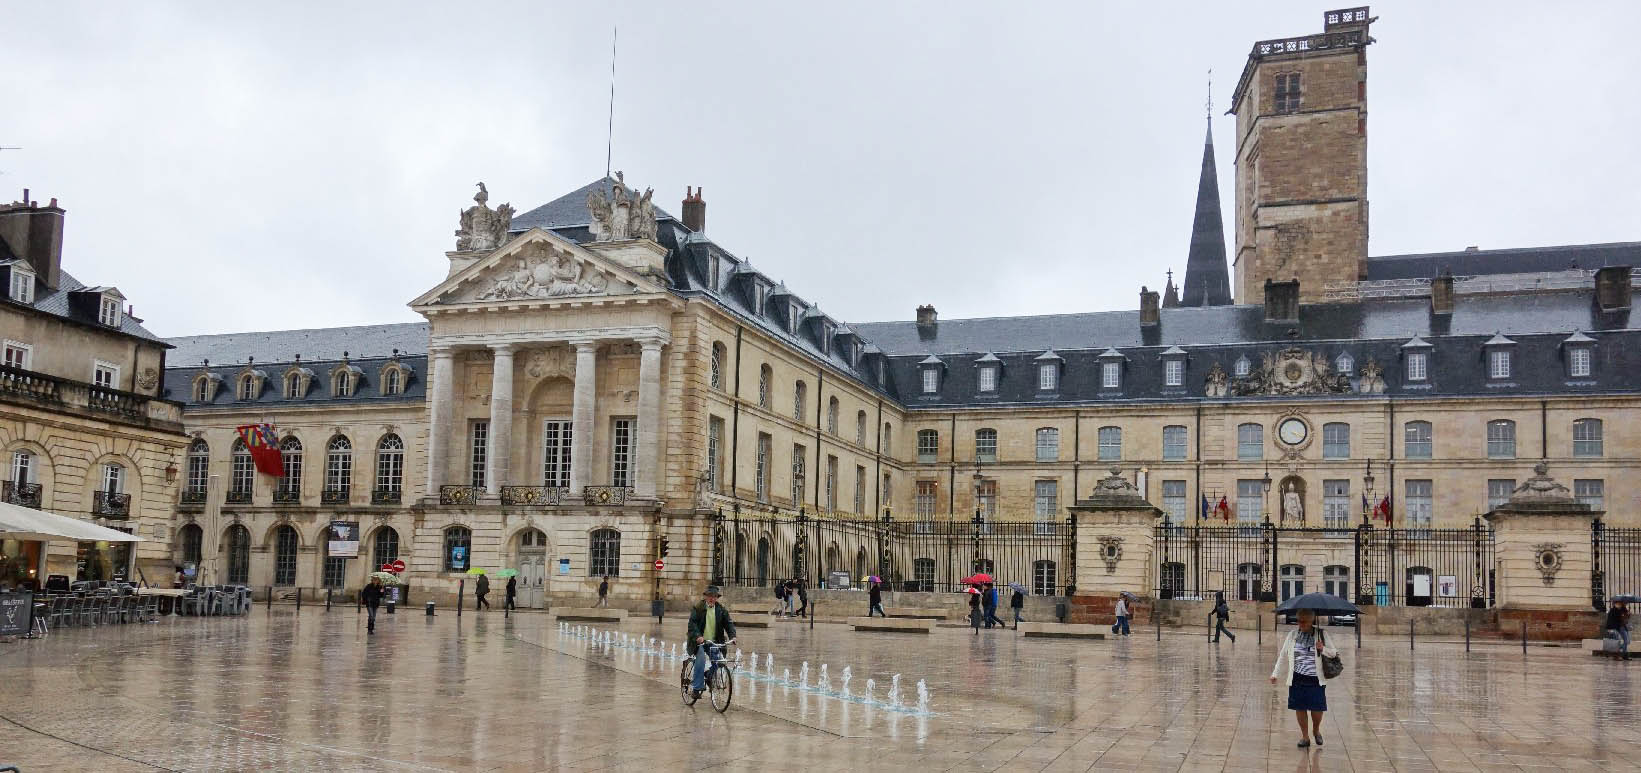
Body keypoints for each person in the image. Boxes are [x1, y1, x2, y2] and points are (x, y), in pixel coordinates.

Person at [1270, 609, 1335, 748]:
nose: (1301, 624)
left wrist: (1322, 648)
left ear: (1311, 621)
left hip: (1315, 679)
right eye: (1299, 621)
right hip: (1297, 678)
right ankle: (1305, 737)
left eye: (1304, 621)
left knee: (1317, 708)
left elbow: (1333, 653)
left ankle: (1316, 730)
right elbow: (1283, 654)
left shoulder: (1321, 634)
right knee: (1300, 708)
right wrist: (1275, 673)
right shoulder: (1292, 635)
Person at [687, 585, 737, 699]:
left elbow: (729, 624)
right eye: (709, 596)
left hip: (713, 642)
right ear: (705, 596)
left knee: (720, 662)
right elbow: (692, 624)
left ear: (716, 598)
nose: (712, 598)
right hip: (698, 642)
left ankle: (709, 676)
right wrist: (698, 636)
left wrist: (733, 636)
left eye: (714, 596)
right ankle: (696, 688)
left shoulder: (721, 609)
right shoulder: (698, 608)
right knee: (701, 659)